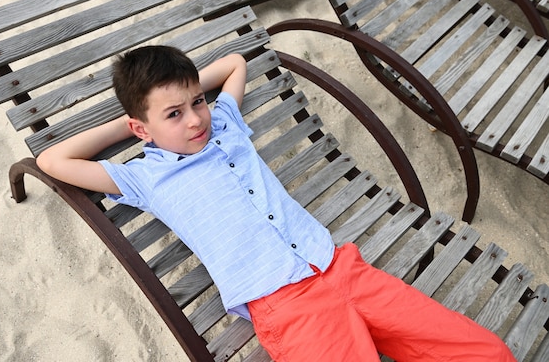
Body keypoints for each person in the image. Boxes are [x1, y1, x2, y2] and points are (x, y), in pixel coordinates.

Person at [37, 45, 515, 361]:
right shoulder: (144, 177)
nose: (194, 120)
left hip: (338, 267)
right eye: (174, 115)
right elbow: (53, 158)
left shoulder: (225, 124)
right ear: (141, 129)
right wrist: (136, 120)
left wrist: (174, 98)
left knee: (485, 352)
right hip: (286, 304)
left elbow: (234, 62)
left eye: (196, 103)